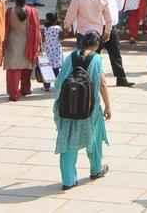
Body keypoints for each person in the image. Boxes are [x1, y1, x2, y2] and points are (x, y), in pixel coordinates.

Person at [54, 31, 112, 191]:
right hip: (90, 109)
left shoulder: (70, 57)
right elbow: (102, 84)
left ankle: (68, 180)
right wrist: (107, 106)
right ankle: (96, 169)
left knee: (68, 142)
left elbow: (59, 82)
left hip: (67, 108)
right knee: (94, 137)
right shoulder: (97, 59)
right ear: (97, 45)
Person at [3, 0, 41, 101]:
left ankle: (13, 93)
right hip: (28, 42)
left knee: (13, 70)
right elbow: (37, 29)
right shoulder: (32, 11)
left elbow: (5, 27)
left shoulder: (9, 11)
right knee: (26, 68)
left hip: (13, 42)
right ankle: (25, 89)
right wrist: (39, 43)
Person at [42, 12, 63, 90]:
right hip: (56, 51)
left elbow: (44, 38)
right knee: (56, 68)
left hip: (48, 50)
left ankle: (46, 86)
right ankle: (58, 85)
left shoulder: (45, 28)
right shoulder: (58, 28)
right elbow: (61, 38)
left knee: (47, 69)